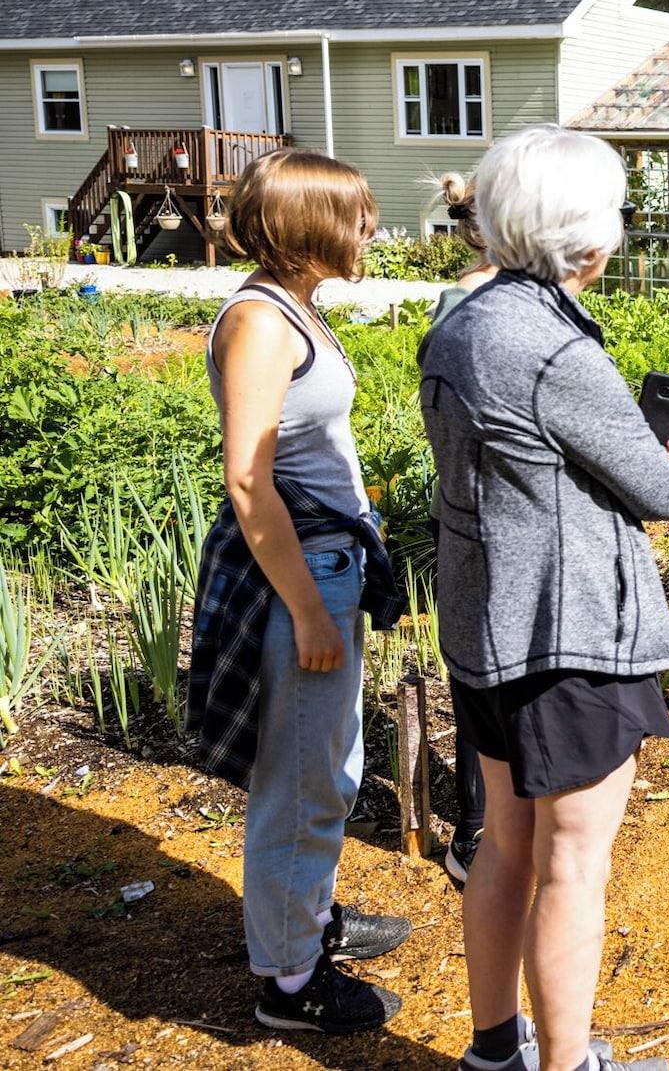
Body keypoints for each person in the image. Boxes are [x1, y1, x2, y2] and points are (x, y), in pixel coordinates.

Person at [420, 124, 669, 1071]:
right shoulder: (551, 349)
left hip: (488, 625)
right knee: (574, 859)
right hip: (566, 634)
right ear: (588, 235)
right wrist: (665, 459)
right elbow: (663, 495)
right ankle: (568, 1066)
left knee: (506, 842)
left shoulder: (460, 323)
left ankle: (497, 1051)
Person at [188, 149, 411, 1035]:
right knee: (301, 780)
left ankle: (306, 921)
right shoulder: (261, 323)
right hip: (299, 577)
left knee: (330, 765)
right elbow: (250, 481)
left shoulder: (292, 309)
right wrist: (311, 610)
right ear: (309, 225)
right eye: (357, 216)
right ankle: (289, 983)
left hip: (326, 563)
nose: (370, 230)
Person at [426, 172, 498, 888]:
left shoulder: (488, 299)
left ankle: (488, 826)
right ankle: (473, 831)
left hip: (480, 515)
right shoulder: (469, 306)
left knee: (489, 675)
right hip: (483, 520)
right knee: (481, 674)